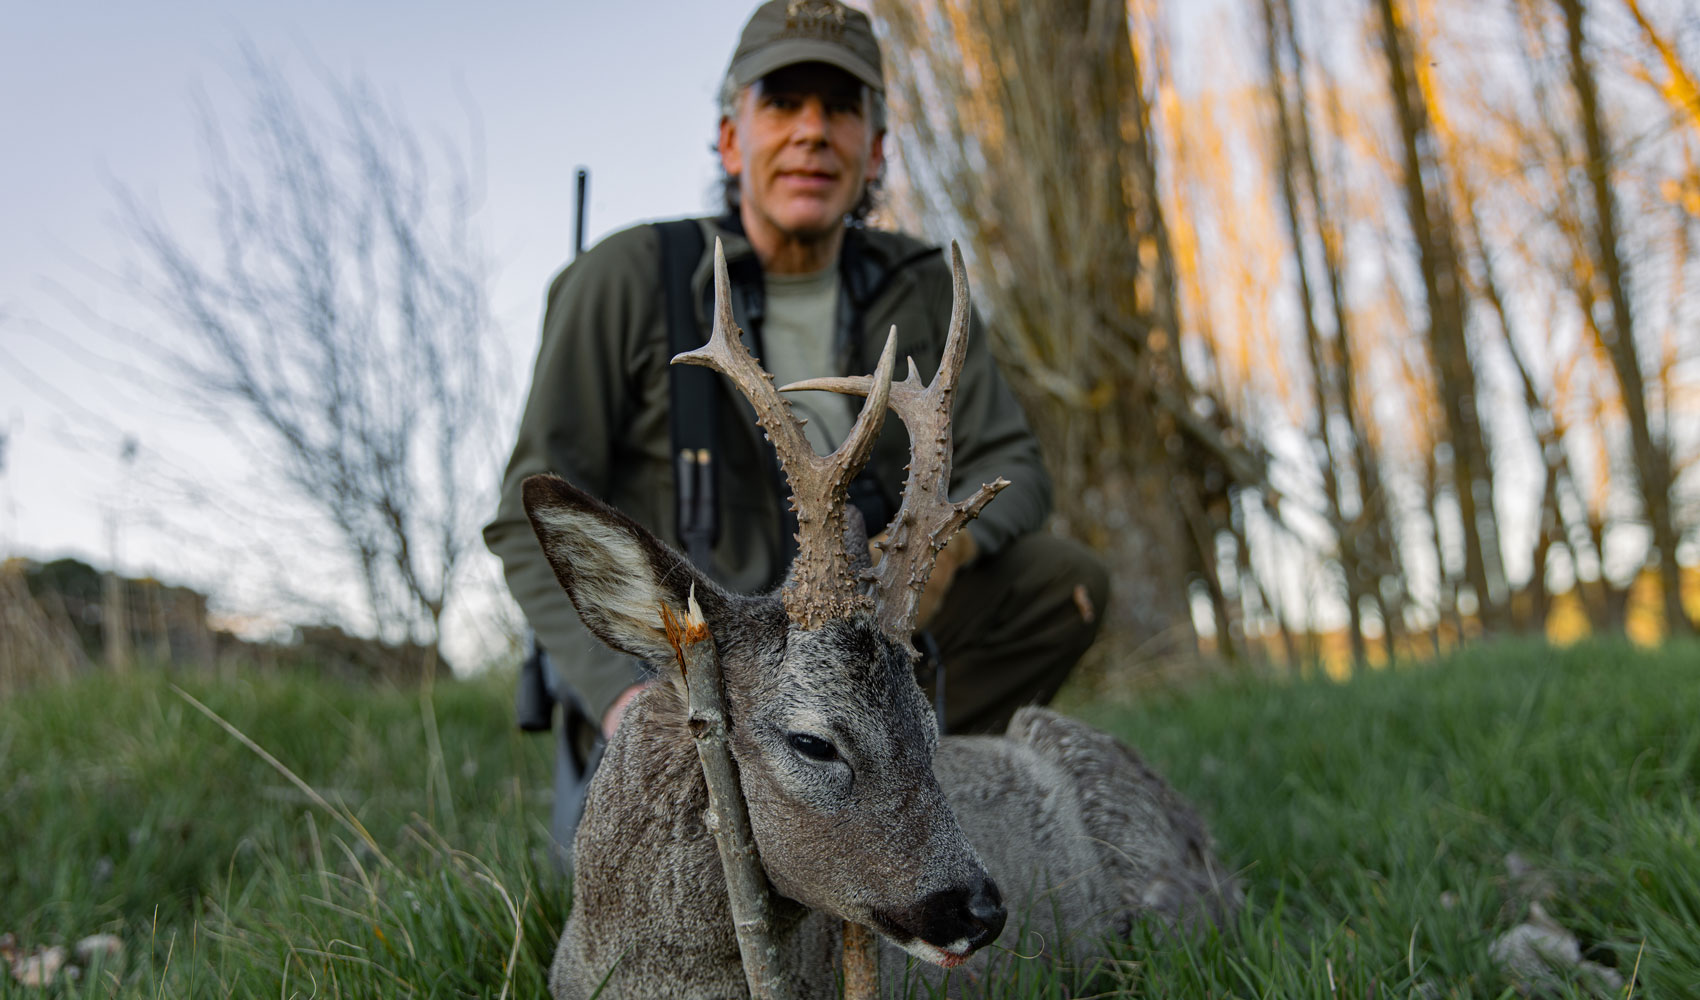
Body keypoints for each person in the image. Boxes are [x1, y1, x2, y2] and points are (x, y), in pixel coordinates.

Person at [483, 0, 1108, 857]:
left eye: (841, 108)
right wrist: (620, 702)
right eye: (782, 103)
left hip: (860, 651)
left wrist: (950, 541)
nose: (812, 132)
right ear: (731, 138)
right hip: (698, 667)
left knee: (1060, 581)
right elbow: (531, 517)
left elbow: (1016, 466)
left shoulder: (923, 289)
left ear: (876, 147)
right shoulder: (627, 278)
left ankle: (899, 783)